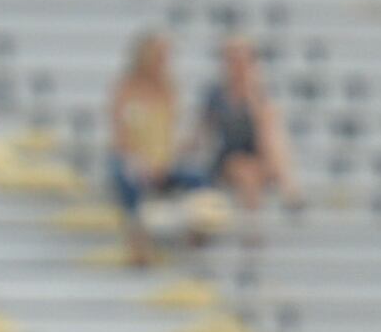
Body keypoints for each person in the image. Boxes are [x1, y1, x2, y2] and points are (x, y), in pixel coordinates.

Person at [107, 30, 191, 266]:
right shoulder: (126, 88)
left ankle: (196, 232)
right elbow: (121, 135)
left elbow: (171, 134)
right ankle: (138, 240)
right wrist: (142, 161)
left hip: (161, 159)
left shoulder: (169, 89)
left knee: (196, 178)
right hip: (133, 157)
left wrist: (162, 162)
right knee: (126, 178)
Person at [192, 36, 294, 207]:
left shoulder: (259, 93)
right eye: (233, 60)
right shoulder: (216, 94)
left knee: (271, 138)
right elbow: (202, 131)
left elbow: (266, 131)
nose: (238, 65)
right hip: (229, 157)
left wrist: (251, 94)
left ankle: (287, 186)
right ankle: (288, 190)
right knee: (245, 170)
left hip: (260, 154)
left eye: (243, 60)